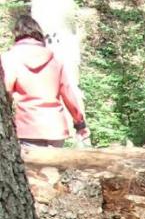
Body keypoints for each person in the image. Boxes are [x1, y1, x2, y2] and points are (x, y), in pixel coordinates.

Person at [1, 13, 89, 149]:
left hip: (27, 127)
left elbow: (6, 90)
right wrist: (80, 123)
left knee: (32, 169)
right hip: (56, 127)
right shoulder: (55, 60)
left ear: (16, 34)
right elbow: (68, 93)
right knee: (52, 169)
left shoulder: (9, 58)